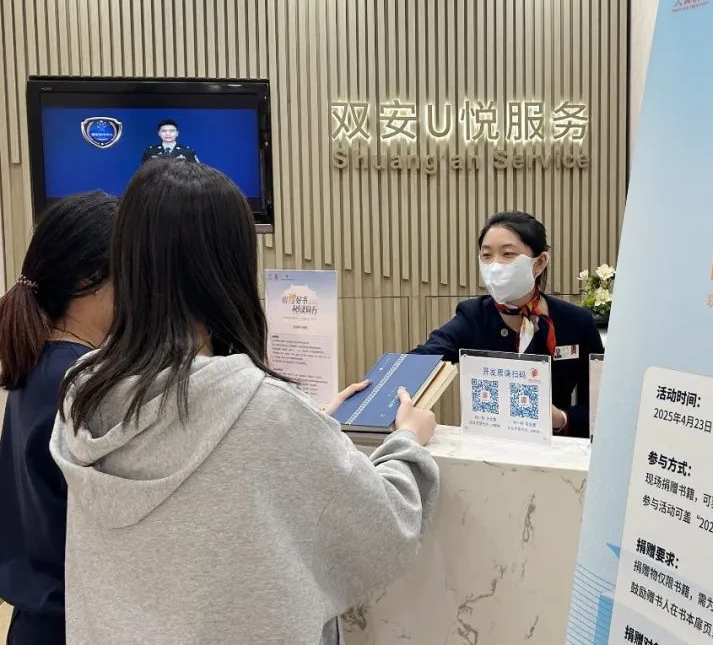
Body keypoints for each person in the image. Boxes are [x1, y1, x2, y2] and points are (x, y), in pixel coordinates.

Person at [50, 159, 438, 645]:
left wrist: (304, 428)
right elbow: (383, 530)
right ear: (229, 265)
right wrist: (408, 442)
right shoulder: (265, 409)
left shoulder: (83, 395)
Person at [0, 191, 118, 645]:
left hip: (36, 621)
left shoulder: (39, 363)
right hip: (73, 624)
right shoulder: (84, 383)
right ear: (90, 279)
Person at [412, 210, 603, 438]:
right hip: (488, 446)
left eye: (508, 254)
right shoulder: (473, 317)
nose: (495, 265)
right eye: (487, 255)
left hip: (556, 449)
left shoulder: (575, 321)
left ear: (539, 263)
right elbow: (424, 358)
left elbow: (604, 405)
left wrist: (561, 419)